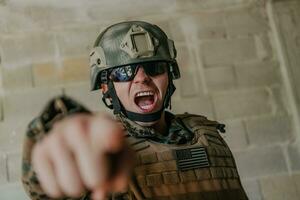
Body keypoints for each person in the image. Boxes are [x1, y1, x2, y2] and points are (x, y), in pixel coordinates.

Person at [22, 21, 248, 200]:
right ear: (106, 87)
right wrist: (54, 137)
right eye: (124, 72)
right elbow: (44, 188)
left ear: (169, 77)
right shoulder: (104, 150)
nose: (142, 78)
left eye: (154, 67)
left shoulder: (209, 134)